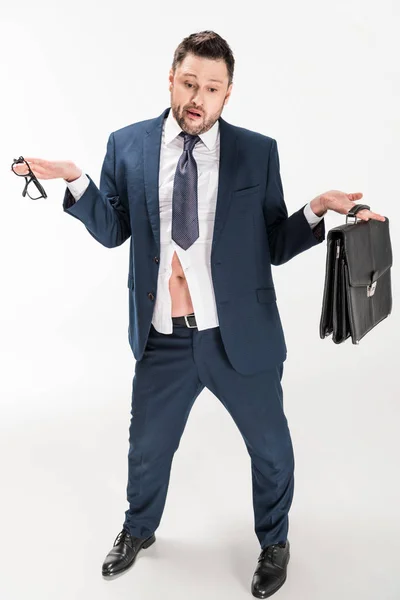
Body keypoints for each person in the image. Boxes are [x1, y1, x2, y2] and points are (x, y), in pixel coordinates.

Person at [14, 30, 386, 599]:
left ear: (227, 93)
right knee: (147, 448)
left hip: (238, 337)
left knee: (271, 448)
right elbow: (115, 230)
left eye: (212, 88)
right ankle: (138, 529)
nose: (198, 97)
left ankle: (275, 542)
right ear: (171, 79)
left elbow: (273, 244)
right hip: (164, 338)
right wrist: (74, 180)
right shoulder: (129, 144)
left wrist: (316, 209)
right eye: (189, 83)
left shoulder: (256, 151)